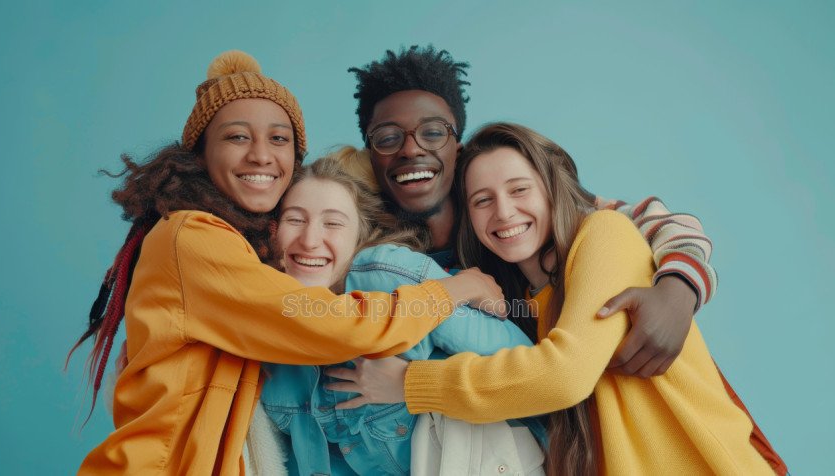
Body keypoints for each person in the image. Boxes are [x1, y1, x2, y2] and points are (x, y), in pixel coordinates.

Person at [67, 50, 505, 475]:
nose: (261, 154)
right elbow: (330, 324)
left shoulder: (255, 258)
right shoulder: (193, 235)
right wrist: (456, 289)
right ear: (199, 154)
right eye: (237, 136)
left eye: (279, 138)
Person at [328, 123, 786, 475]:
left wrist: (411, 384)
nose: (504, 212)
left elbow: (562, 377)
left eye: (520, 189)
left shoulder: (602, 235)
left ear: (552, 190)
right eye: (482, 200)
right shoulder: (523, 301)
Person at [349, 45, 715, 373]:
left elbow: (649, 220)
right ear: (371, 155)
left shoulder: (505, 212)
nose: (411, 149)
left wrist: (678, 290)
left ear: (456, 149)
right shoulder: (377, 251)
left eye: (432, 133)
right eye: (387, 138)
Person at [258, 155, 544, 475]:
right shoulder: (266, 336)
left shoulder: (387, 277)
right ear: (273, 232)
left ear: (359, 237)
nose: (310, 241)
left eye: (333, 223)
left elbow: (533, 378)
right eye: (295, 220)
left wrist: (414, 383)